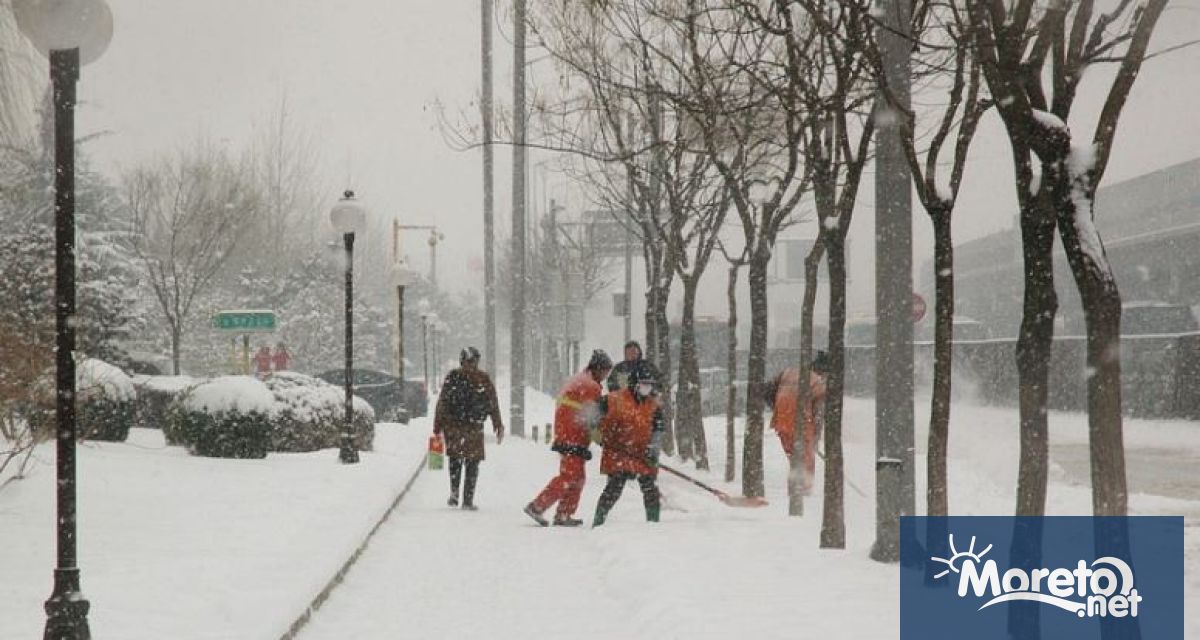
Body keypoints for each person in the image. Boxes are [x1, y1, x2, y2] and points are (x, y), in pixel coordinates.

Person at [524, 350, 614, 527]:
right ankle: (537, 506)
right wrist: (603, 438)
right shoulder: (590, 386)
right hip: (573, 436)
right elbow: (592, 418)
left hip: (567, 433)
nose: (605, 376)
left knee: (577, 477)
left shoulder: (578, 380)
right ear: (598, 368)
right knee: (569, 476)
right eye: (605, 372)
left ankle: (564, 514)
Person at [432, 346, 504, 510]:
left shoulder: (453, 376)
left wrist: (437, 427)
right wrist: (497, 424)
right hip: (473, 427)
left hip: (454, 427)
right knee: (472, 463)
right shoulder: (482, 379)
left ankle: (455, 493)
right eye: (472, 361)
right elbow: (492, 403)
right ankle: (467, 500)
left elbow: (442, 402)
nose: (472, 365)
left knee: (455, 461)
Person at [591, 370, 664, 526]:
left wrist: (653, 451)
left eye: (650, 385)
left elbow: (658, 429)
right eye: (644, 384)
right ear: (635, 385)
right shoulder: (614, 399)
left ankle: (654, 524)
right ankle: (598, 521)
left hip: (641, 454)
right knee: (614, 489)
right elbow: (591, 416)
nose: (647, 388)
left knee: (650, 489)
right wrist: (597, 435)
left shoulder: (653, 405)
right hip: (617, 452)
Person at [767, 350, 830, 493]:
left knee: (794, 457)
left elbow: (767, 390)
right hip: (802, 424)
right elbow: (818, 414)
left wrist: (778, 407)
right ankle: (803, 492)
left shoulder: (789, 372)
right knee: (807, 460)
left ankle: (795, 489)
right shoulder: (818, 383)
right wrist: (816, 437)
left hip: (782, 422)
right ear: (824, 372)